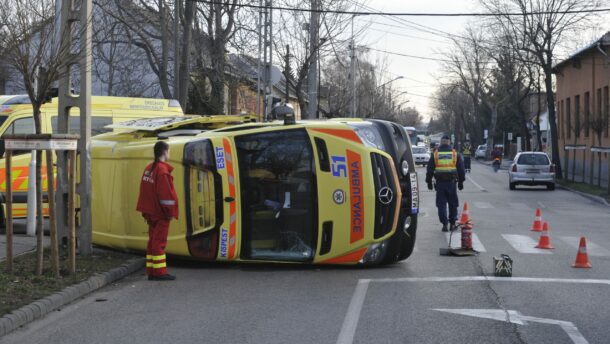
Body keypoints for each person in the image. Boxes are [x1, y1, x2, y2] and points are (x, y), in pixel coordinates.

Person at [136, 141, 179, 281]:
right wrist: (169, 212)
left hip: (150, 211)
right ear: (165, 152)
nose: (169, 153)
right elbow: (166, 196)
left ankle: (152, 270)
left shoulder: (149, 168)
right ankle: (160, 272)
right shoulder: (162, 171)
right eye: (169, 151)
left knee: (152, 241)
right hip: (160, 213)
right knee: (159, 242)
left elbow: (145, 191)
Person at [426, 135, 466, 232]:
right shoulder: (455, 153)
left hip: (440, 184)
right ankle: (452, 223)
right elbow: (461, 170)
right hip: (451, 183)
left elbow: (430, 169)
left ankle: (444, 223)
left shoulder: (435, 154)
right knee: (453, 204)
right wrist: (461, 182)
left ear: (441, 142)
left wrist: (429, 182)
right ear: (449, 142)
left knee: (441, 204)